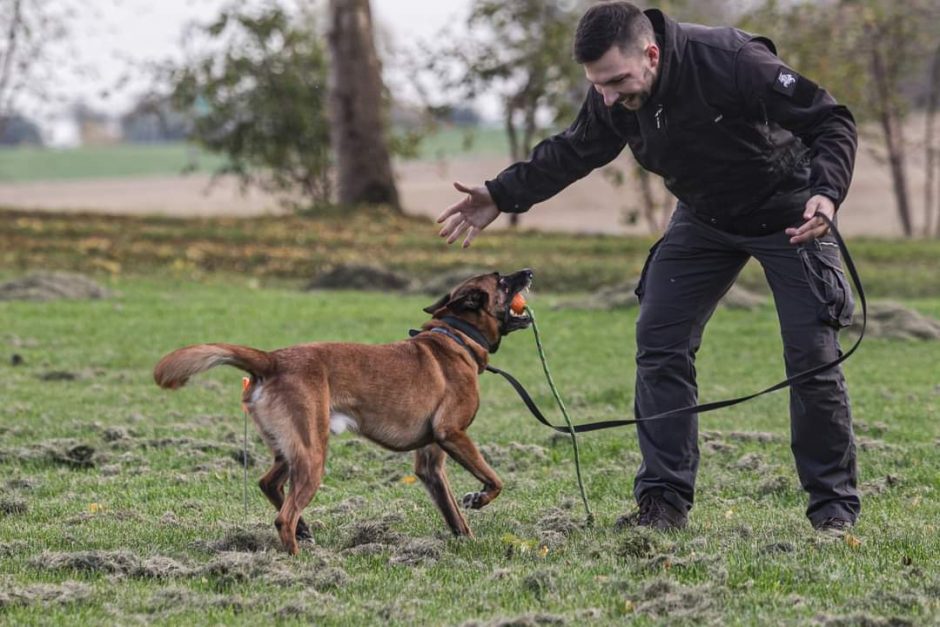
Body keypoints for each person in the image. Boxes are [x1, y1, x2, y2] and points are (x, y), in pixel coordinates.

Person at [437, 1, 860, 533]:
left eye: (615, 81)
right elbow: (575, 151)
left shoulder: (731, 61)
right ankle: (662, 503)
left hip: (791, 214)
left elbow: (831, 120)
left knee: (812, 358)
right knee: (659, 342)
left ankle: (833, 510)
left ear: (652, 54)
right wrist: (500, 194)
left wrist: (826, 193)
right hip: (704, 219)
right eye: (598, 86)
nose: (609, 97)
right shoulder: (612, 94)